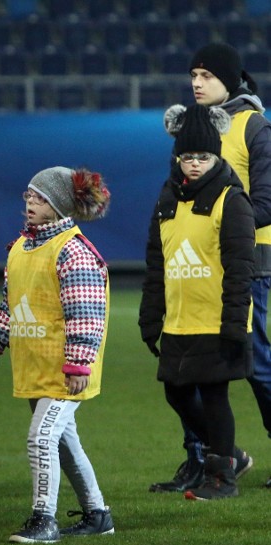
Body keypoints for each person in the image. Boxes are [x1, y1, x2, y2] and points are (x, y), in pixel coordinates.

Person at [150, 42, 270, 492]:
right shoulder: (191, 127)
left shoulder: (254, 127)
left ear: (230, 79)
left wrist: (223, 224)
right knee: (189, 370)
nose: (197, 83)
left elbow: (265, 202)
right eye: (193, 75)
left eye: (206, 76)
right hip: (192, 268)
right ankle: (202, 460)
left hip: (247, 265)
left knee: (255, 364)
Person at [0, 166, 113, 544]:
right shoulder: (22, 249)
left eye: (40, 197)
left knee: (41, 438)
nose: (30, 202)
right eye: (29, 195)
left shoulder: (73, 251)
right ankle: (97, 514)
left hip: (63, 371)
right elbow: (12, 307)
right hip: (36, 366)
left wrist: (78, 363)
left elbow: (86, 314)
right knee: (62, 440)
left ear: (58, 204)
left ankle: (44, 519)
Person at [140, 103, 254, 500]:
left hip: (217, 318)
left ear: (216, 156)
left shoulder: (232, 200)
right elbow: (157, 263)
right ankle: (229, 455)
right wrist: (150, 318)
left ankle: (222, 477)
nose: (193, 164)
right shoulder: (167, 198)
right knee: (177, 392)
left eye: (202, 157)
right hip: (178, 320)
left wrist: (235, 323)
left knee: (214, 394)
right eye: (186, 156)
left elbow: (242, 268)